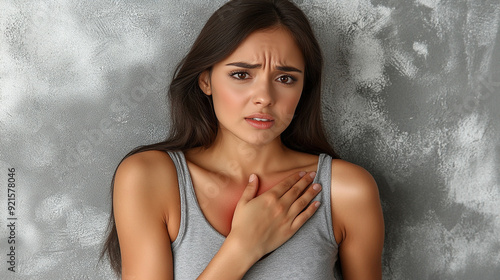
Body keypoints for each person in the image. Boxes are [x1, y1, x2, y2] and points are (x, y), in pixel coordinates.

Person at [101, 0, 384, 279]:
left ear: (303, 89)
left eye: (285, 79)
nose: (264, 97)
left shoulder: (347, 192)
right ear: (206, 81)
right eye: (241, 74)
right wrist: (243, 247)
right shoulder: (149, 179)